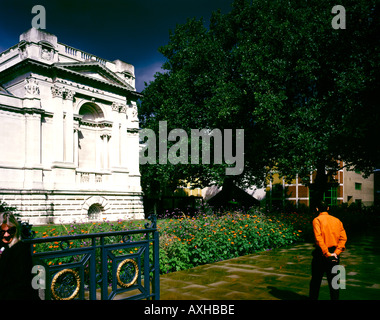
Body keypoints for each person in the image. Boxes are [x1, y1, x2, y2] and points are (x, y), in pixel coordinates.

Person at [309, 201, 347, 300]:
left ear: (317, 209)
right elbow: (343, 238)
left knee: (316, 282)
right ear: (328, 208)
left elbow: (318, 238)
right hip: (334, 254)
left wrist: (326, 253)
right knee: (335, 283)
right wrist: (336, 253)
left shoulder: (317, 220)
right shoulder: (337, 220)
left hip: (321, 254)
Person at [0, 212, 40, 300]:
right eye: (2, 231)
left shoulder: (21, 249)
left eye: (11, 231)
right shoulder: (3, 246)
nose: (6, 235)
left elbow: (21, 284)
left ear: (16, 230)